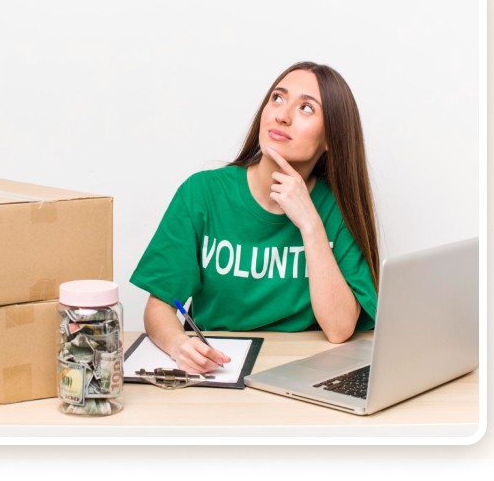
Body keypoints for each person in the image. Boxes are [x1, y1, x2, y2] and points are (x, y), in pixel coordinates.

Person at [130, 61, 380, 374]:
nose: (282, 115)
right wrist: (178, 344)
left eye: (306, 108)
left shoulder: (337, 207)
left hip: (303, 370)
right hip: (220, 369)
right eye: (278, 98)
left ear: (331, 137)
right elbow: (159, 306)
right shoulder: (201, 193)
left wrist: (310, 224)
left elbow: (339, 329)